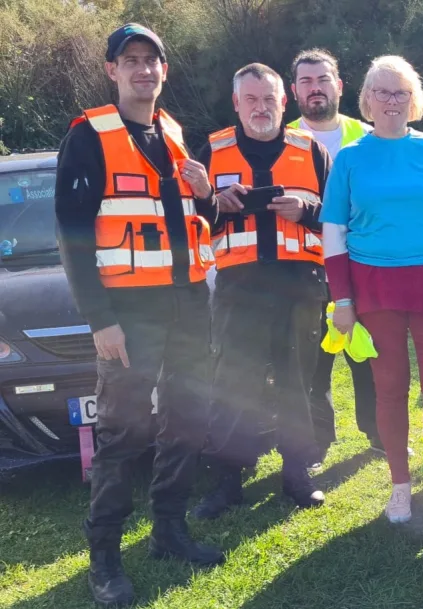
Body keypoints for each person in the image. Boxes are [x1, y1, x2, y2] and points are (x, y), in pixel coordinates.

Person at [55, 23, 222, 606]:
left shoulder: (174, 135)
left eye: (152, 60)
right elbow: (73, 239)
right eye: (130, 60)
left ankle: (169, 530)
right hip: (129, 312)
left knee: (187, 421)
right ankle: (104, 555)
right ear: (112, 71)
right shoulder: (89, 136)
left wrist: (205, 197)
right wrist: (99, 320)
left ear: (164, 71)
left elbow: (199, 228)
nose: (143, 70)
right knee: (123, 434)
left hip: (188, 305)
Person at [321, 55, 423, 523]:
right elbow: (334, 234)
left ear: (414, 100)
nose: (391, 100)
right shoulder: (349, 157)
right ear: (366, 99)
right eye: (382, 92)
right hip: (374, 289)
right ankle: (399, 487)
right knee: (389, 390)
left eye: (400, 92)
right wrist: (342, 300)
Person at [191, 63, 328, 519]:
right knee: (234, 382)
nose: (261, 107)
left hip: (299, 286)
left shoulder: (311, 150)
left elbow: (340, 217)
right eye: (251, 99)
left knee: (297, 381)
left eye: (269, 98)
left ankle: (297, 475)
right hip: (239, 286)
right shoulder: (211, 150)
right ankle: (229, 481)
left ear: (284, 101)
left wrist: (308, 209)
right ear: (236, 103)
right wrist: (214, 205)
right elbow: (189, 220)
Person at [286, 48, 380, 456]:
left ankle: (377, 434)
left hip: (364, 266)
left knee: (369, 356)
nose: (315, 88)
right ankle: (318, 441)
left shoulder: (368, 136)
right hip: (306, 269)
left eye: (323, 80)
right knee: (313, 362)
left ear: (339, 86)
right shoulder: (281, 136)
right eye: (306, 81)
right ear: (293, 91)